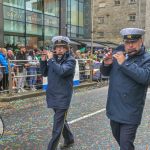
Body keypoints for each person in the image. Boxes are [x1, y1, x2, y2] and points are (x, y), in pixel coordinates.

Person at [100, 28, 150, 150]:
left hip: (131, 111)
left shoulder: (147, 58)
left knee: (126, 145)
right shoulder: (118, 53)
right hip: (114, 108)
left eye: (134, 42)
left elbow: (146, 78)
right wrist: (106, 63)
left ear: (141, 41)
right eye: (127, 43)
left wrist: (125, 63)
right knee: (121, 140)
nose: (130, 45)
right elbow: (105, 73)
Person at [40, 36, 76, 150]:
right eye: (57, 47)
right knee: (61, 121)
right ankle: (69, 139)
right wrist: (43, 60)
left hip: (63, 97)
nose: (59, 49)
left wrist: (51, 60)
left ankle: (51, 147)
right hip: (52, 94)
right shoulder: (53, 59)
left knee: (57, 124)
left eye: (62, 47)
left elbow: (61, 71)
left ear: (67, 48)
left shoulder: (71, 60)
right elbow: (44, 73)